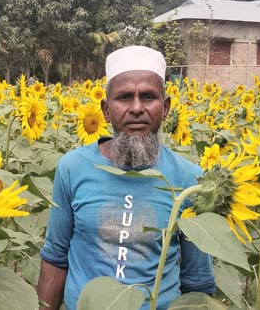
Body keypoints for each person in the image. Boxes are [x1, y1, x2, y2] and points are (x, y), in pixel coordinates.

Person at [37, 45, 215, 310]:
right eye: (123, 97)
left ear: (165, 108)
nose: (136, 108)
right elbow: (55, 257)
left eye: (148, 97)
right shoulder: (73, 168)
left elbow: (197, 281)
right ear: (106, 110)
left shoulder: (190, 180)